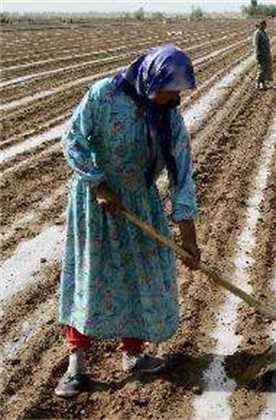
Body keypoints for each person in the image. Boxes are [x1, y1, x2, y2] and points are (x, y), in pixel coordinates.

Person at [55, 45, 201, 398]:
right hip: (97, 202)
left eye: (178, 93)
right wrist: (100, 185)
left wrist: (189, 239)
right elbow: (72, 140)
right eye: (169, 91)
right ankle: (77, 366)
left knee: (143, 274)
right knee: (92, 274)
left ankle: (134, 356)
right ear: (152, 78)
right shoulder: (104, 95)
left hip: (139, 202)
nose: (173, 99)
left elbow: (182, 176)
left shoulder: (169, 117)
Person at [253, 20, 272, 90]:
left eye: (265, 25)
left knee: (265, 69)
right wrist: (258, 54)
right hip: (261, 54)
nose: (265, 26)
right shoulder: (257, 33)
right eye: (264, 25)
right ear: (260, 25)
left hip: (266, 54)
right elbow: (256, 45)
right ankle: (257, 83)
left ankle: (263, 84)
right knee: (261, 69)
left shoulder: (263, 32)